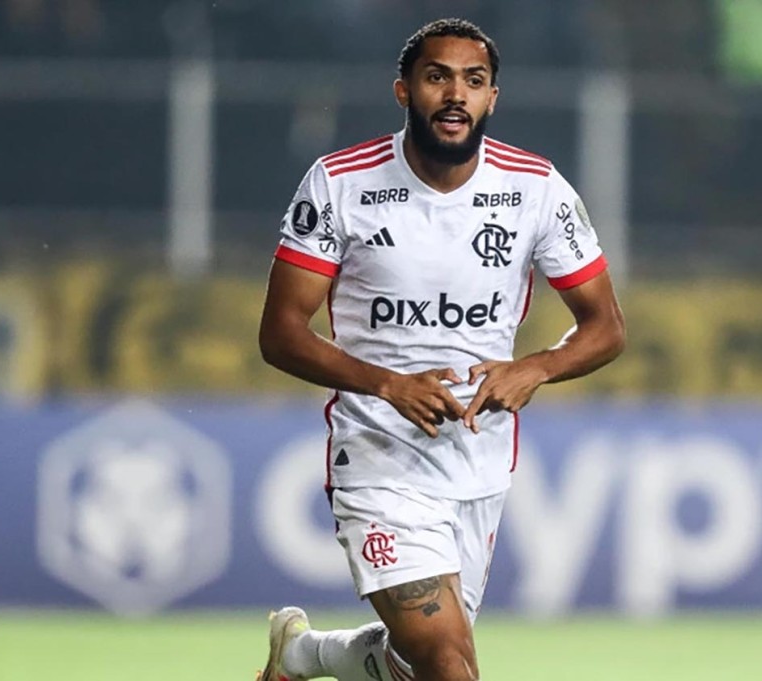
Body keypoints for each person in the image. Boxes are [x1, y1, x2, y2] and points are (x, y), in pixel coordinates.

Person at [257, 17, 625, 681]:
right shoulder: (340, 183)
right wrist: (389, 385)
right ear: (403, 90)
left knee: (418, 663)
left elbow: (605, 327)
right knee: (451, 664)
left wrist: (536, 367)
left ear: (492, 98)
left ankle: (301, 655)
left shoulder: (535, 189)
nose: (456, 94)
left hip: (479, 462)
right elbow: (280, 332)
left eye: (474, 81)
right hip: (378, 457)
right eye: (437, 77)